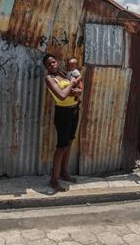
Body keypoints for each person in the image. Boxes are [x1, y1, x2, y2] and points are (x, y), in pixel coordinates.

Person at [43, 54, 82, 192]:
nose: (53, 65)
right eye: (49, 64)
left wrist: (76, 91)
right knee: (61, 147)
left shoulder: (64, 74)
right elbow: (62, 95)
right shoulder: (49, 79)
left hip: (74, 111)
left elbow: (74, 90)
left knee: (69, 143)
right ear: (46, 67)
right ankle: (54, 180)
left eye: (54, 61)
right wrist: (72, 84)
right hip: (63, 114)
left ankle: (64, 173)